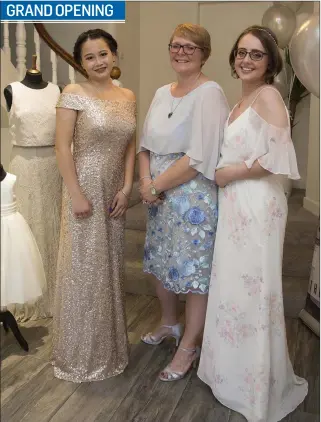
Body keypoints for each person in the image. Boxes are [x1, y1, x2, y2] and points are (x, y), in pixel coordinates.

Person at [198, 25, 308, 421]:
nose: (245, 59)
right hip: (234, 206)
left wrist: (231, 174)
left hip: (258, 206)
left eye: (255, 54)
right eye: (241, 52)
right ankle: (227, 374)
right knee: (231, 286)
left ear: (269, 63)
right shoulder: (239, 101)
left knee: (255, 289)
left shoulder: (269, 95)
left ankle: (256, 386)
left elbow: (279, 157)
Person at [138, 23, 229, 382]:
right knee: (161, 263)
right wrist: (146, 182)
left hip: (191, 196)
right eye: (176, 45)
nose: (181, 52)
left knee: (193, 274)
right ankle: (169, 324)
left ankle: (189, 345)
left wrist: (154, 184)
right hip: (157, 195)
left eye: (191, 47)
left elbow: (199, 156)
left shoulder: (211, 93)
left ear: (204, 53)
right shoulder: (162, 92)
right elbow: (144, 144)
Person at [52, 29, 136, 382]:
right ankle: (78, 355)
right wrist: (76, 194)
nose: (98, 62)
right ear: (80, 62)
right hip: (84, 187)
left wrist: (128, 186)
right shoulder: (73, 93)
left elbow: (131, 144)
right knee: (83, 272)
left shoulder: (128, 95)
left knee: (108, 269)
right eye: (89, 57)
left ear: (114, 55)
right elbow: (61, 147)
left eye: (103, 54)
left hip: (114, 191)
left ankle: (109, 349)